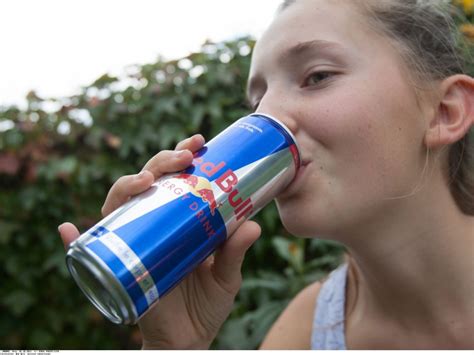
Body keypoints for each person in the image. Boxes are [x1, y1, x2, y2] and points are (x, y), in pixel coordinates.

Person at [58, 0, 474, 349]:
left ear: (444, 112)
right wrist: (174, 348)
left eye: (317, 76)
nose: (265, 116)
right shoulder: (305, 332)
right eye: (257, 101)